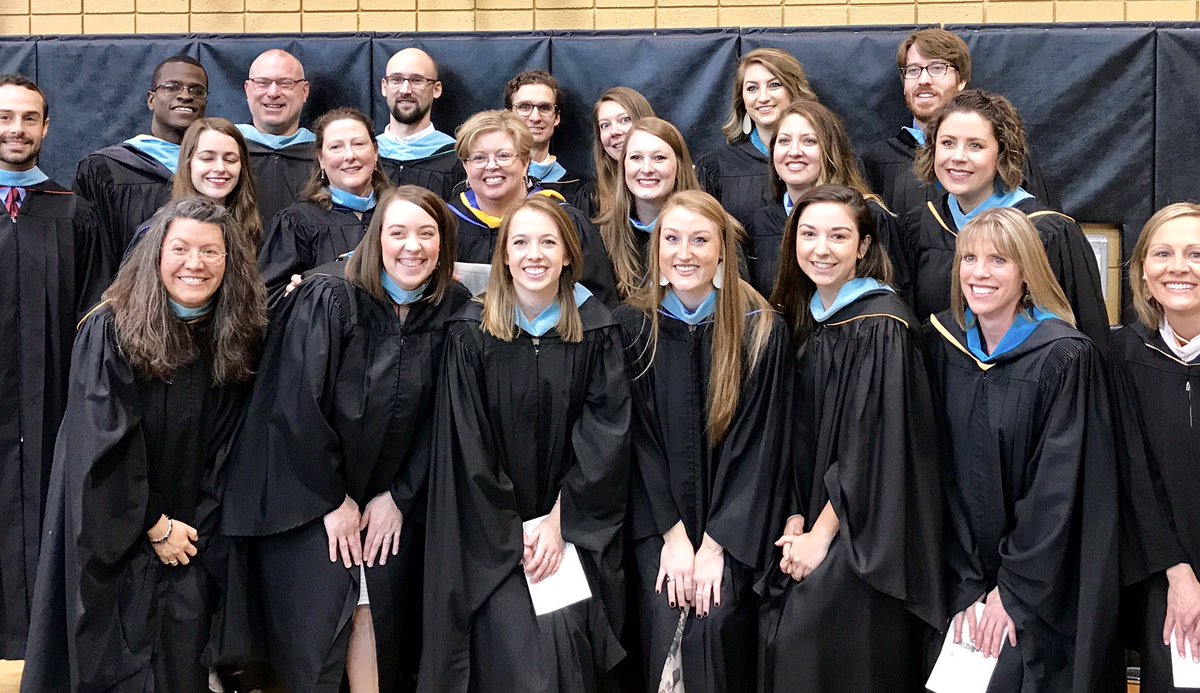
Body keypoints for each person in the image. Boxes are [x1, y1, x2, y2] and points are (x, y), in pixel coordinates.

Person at [221, 186, 469, 692]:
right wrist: (332, 500)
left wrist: (400, 496)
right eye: (398, 232)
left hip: (398, 498)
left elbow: (450, 418)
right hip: (309, 493)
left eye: (427, 233)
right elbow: (296, 406)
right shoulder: (329, 297)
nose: (413, 246)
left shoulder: (453, 309)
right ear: (376, 239)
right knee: (327, 612)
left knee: (377, 605)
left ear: (444, 244)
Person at [21, 196, 267, 692]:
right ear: (156, 254)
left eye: (210, 251)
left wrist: (196, 526)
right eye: (180, 248)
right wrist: (154, 523)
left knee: (181, 653)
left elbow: (233, 444)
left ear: (229, 262)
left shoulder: (234, 336)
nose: (195, 263)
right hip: (113, 529)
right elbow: (102, 444)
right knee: (110, 658)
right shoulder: (111, 329)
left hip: (194, 535)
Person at [420, 196, 630, 692]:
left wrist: (560, 522)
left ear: (568, 255)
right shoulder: (470, 334)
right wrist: (511, 535)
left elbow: (605, 439)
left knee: (567, 635)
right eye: (521, 243)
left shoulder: (597, 331)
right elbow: (468, 450)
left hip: (574, 530)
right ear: (505, 256)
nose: (534, 254)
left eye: (547, 242)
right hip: (489, 541)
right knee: (513, 644)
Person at [924, 207, 1119, 691]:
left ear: (1027, 272)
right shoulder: (942, 346)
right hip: (959, 577)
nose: (979, 273)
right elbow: (936, 473)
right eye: (969, 259)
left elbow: (1057, 489)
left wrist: (1012, 591)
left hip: (1038, 583)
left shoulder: (1063, 356)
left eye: (999, 260)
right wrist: (966, 584)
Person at [759, 185, 945, 692]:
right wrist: (794, 515)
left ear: (863, 246)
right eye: (809, 234)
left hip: (864, 527)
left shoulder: (882, 324)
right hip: (813, 511)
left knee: (812, 633)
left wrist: (820, 536)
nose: (821, 248)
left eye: (838, 236)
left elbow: (871, 452)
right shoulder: (804, 316)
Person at [618, 189, 792, 692]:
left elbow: (759, 447)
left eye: (699, 240)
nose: (684, 253)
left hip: (735, 530)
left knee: (715, 621)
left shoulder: (760, 329)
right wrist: (673, 539)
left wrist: (715, 546)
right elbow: (638, 443)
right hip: (658, 524)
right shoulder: (633, 326)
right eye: (671, 239)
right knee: (662, 609)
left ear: (722, 251)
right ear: (656, 250)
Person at [0, 73, 107, 662]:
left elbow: (94, 316)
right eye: (4, 117)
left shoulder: (75, 213)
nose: (16, 129)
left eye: (28, 118)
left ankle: (41, 639)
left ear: (46, 128)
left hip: (53, 404)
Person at [905, 89, 1109, 347]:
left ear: (1002, 153)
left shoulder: (1046, 230)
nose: (957, 157)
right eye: (947, 143)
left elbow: (1085, 338)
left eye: (975, 145)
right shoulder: (921, 225)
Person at [1109, 203, 1200, 693]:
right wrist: (1179, 575)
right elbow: (1133, 477)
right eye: (1163, 253)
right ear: (1143, 272)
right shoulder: (1122, 355)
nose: (1178, 267)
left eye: (1196, 254)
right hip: (1161, 573)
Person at [860, 28, 1057, 217]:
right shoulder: (879, 161)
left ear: (961, 79)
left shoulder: (1006, 155)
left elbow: (1042, 226)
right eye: (913, 70)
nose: (923, 80)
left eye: (937, 68)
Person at [449, 109, 617, 305]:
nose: (491, 165)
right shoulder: (447, 223)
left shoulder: (565, 221)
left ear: (525, 162)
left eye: (503, 155)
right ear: (465, 165)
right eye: (479, 158)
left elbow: (598, 303)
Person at [745, 100, 906, 298]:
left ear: (831, 150)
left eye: (809, 141)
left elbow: (896, 297)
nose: (794, 152)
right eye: (784, 141)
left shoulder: (870, 217)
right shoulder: (759, 224)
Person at [73, 54, 208, 265]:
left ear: (205, 102)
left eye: (196, 90)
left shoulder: (218, 171)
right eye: (172, 87)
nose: (185, 96)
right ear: (151, 100)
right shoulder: (107, 169)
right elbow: (94, 258)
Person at [259, 107, 392, 298]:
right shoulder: (297, 223)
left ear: (375, 152)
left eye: (358, 144)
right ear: (321, 159)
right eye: (336, 147)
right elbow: (270, 297)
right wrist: (301, 293)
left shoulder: (398, 214)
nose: (349, 156)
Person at [695, 48, 817, 230]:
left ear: (794, 90)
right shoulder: (716, 167)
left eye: (774, 85)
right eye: (752, 88)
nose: (763, 97)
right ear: (742, 99)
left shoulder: (825, 157)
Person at [594, 116, 699, 300]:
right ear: (623, 165)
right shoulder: (601, 237)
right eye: (636, 158)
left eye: (659, 158)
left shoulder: (712, 231)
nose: (647, 169)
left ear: (680, 166)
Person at [126, 117, 263, 256]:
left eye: (230, 160)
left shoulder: (252, 230)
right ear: (188, 164)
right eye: (207, 158)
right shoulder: (157, 233)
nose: (220, 168)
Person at [237, 49, 315, 224]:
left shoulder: (324, 155)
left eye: (285, 83)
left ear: (304, 91)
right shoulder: (227, 149)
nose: (273, 93)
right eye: (262, 83)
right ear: (248, 90)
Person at [376, 48, 464, 201]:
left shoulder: (456, 157)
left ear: (436, 89)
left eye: (416, 80)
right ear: (384, 87)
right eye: (396, 79)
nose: (405, 90)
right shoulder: (367, 156)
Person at [504, 70, 589, 208]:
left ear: (556, 118)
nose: (535, 118)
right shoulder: (486, 180)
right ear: (508, 115)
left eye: (545, 108)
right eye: (524, 107)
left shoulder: (577, 191)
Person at [586, 86, 656, 219]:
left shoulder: (681, 186)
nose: (614, 132)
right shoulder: (591, 199)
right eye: (605, 125)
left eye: (625, 120)